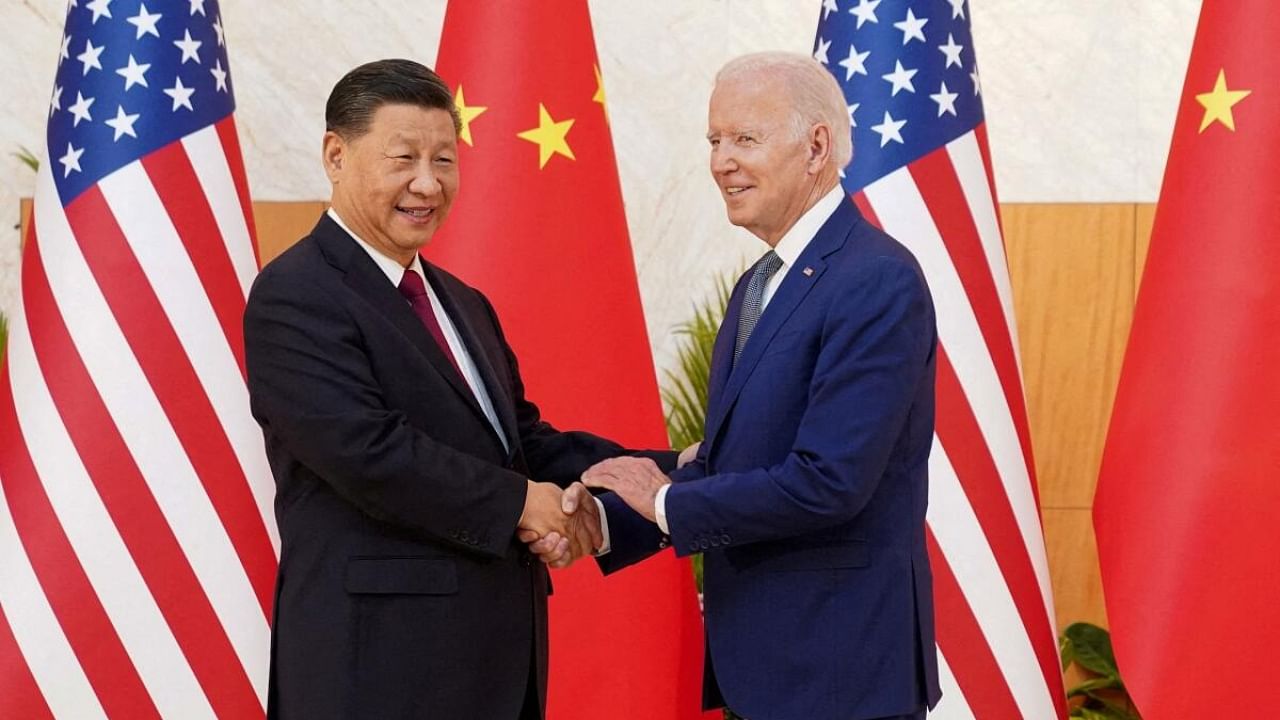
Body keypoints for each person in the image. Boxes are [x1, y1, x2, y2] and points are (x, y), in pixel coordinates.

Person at [243, 58, 666, 720]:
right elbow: (370, 453)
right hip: (375, 675)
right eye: (404, 158)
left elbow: (519, 442)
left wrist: (659, 476)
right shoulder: (295, 294)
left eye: (445, 160)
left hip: (493, 666)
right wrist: (526, 505)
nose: (427, 183)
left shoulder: (461, 302)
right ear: (335, 154)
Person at [571, 52, 942, 720]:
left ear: (817, 147)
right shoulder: (759, 285)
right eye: (714, 141)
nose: (721, 162)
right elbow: (734, 463)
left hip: (840, 674)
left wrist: (663, 505)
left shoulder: (874, 280)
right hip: (769, 670)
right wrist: (601, 522)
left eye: (745, 139)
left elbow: (829, 481)